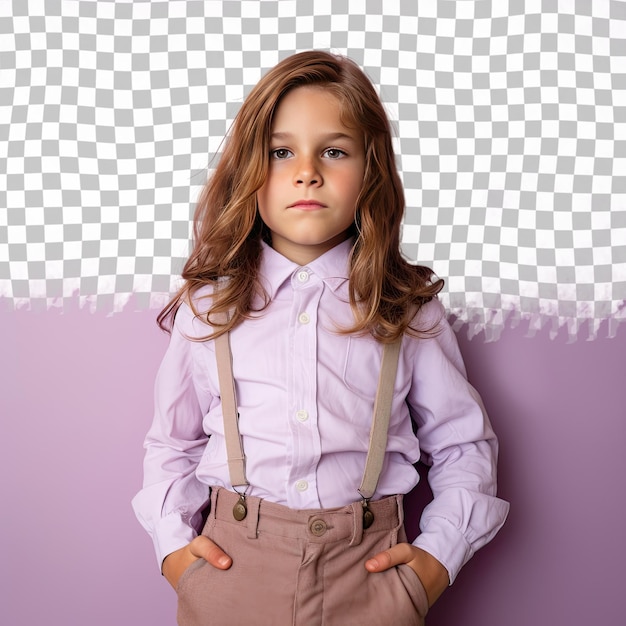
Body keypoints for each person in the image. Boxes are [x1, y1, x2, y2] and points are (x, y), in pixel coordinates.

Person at [132, 50, 509, 626]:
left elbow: (463, 445)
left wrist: (432, 566)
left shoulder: (405, 309)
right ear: (249, 172)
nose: (307, 171)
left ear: (370, 171)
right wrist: (175, 555)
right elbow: (171, 444)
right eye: (282, 153)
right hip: (233, 572)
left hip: (370, 575)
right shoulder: (210, 308)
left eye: (333, 152)